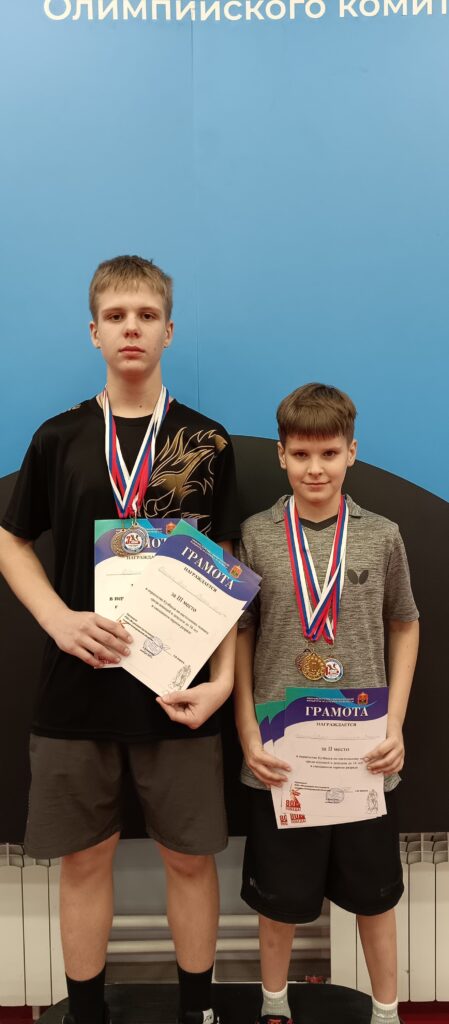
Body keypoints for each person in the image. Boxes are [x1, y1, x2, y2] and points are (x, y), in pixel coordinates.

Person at [0, 255, 241, 1024]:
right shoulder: (60, 437)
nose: (130, 328)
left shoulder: (204, 441)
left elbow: (228, 565)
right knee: (83, 860)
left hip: (178, 691)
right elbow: (10, 539)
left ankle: (198, 1013)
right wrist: (56, 618)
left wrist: (223, 681)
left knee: (190, 860)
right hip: (78, 687)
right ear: (94, 332)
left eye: (145, 315)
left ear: (168, 330)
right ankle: (87, 1014)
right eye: (115, 316)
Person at [234, 383, 419, 1024]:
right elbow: (241, 635)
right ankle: (275, 1006)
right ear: (281, 455)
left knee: (375, 897)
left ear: (351, 453)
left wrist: (395, 723)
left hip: (365, 754)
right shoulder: (257, 535)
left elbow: (405, 623)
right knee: (278, 900)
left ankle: (388, 1012)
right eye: (302, 454)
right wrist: (247, 734)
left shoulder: (382, 535)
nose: (316, 468)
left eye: (330, 453)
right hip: (282, 755)